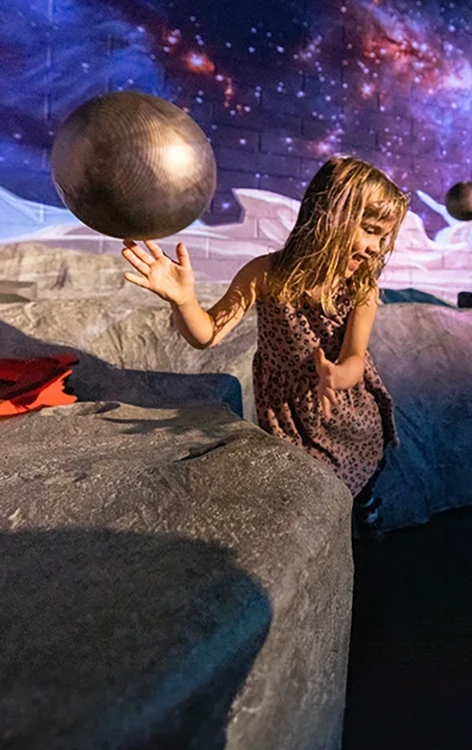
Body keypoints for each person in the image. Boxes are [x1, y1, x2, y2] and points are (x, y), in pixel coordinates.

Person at [121, 156, 409, 537]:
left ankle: (367, 506)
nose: (375, 248)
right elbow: (206, 334)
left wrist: (337, 376)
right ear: (330, 216)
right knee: (309, 495)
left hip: (346, 407)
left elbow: (356, 357)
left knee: (364, 473)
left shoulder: (361, 288)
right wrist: (183, 300)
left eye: (382, 238)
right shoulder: (266, 273)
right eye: (370, 230)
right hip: (288, 415)